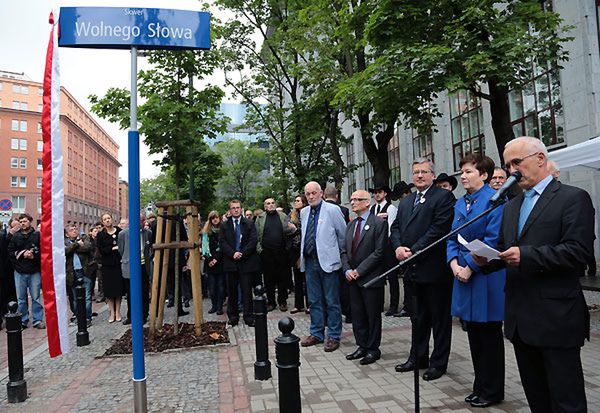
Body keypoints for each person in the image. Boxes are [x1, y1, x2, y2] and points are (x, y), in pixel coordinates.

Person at [473, 136, 594, 412]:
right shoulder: (512, 205)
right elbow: (506, 249)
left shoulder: (573, 198)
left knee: (566, 401)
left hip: (556, 318)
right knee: (536, 398)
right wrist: (487, 259)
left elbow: (578, 253)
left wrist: (525, 256)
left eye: (517, 162)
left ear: (540, 159)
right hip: (520, 319)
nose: (512, 171)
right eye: (508, 165)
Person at [447, 154, 506, 408]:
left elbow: (493, 240)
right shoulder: (461, 203)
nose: (463, 176)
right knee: (473, 336)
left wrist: (469, 267)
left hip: (485, 278)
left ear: (484, 175)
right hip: (462, 275)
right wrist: (453, 264)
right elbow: (450, 238)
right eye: (462, 172)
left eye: (469, 171)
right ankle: (480, 385)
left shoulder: (495, 201)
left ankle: (492, 390)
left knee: (489, 337)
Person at [390, 158, 455, 381]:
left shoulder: (443, 197)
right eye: (416, 172)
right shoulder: (407, 202)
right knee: (417, 317)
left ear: (432, 175)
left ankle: (438, 363)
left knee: (439, 320)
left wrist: (413, 250)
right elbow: (396, 226)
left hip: (434, 269)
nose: (419, 175)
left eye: (424, 172)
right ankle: (417, 357)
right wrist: (398, 247)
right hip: (412, 270)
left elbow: (439, 229)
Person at [342, 190, 388, 365]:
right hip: (352, 279)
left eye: (357, 199)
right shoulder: (351, 225)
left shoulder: (378, 223)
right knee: (357, 314)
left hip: (371, 278)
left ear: (367, 202)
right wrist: (347, 270)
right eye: (351, 199)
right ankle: (361, 345)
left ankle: (373, 348)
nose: (353, 202)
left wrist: (359, 271)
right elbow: (344, 250)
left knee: (372, 315)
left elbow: (379, 252)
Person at [300, 182, 347, 352]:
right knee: (314, 300)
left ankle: (334, 335)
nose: (311, 196)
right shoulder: (304, 212)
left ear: (321, 193)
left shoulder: (333, 210)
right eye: (308, 194)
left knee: (332, 300)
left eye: (314, 193)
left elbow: (343, 235)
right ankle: (317, 333)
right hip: (310, 261)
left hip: (328, 262)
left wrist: (339, 256)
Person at [219, 199, 261, 327]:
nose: (236, 210)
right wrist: (233, 253)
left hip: (246, 262)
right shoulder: (224, 225)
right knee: (232, 292)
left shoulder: (248, 223)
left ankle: (248, 317)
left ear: (241, 209)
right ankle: (233, 317)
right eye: (233, 208)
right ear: (230, 210)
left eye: (238, 207)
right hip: (230, 263)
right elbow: (223, 242)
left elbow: (253, 240)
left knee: (247, 291)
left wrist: (242, 253)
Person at [255, 197, 296, 312]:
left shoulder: (283, 216)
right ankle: (271, 302)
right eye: (268, 203)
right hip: (266, 253)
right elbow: (256, 235)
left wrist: (287, 249)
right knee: (268, 279)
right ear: (265, 206)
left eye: (273, 203)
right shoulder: (260, 218)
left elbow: (290, 232)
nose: (271, 205)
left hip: (281, 253)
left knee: (283, 278)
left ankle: (282, 301)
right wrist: (260, 250)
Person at [8, 213, 44, 329]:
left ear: (30, 221)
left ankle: (37, 320)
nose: (23, 223)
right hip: (19, 272)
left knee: (36, 297)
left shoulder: (37, 235)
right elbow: (10, 252)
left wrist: (34, 256)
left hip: (34, 271)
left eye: (25, 221)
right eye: (21, 221)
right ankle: (23, 320)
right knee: (21, 299)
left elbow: (44, 252)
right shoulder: (16, 237)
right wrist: (23, 254)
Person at [369, 183, 399, 317]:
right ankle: (378, 304)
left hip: (387, 246)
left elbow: (391, 228)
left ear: (385, 193)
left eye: (379, 192)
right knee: (377, 276)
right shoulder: (372, 208)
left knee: (392, 277)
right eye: (375, 192)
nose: (377, 195)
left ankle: (394, 305)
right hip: (375, 246)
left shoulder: (391, 208)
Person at [118, 213, 153, 325]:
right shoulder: (123, 234)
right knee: (130, 292)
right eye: (142, 221)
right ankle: (131, 316)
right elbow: (121, 250)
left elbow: (149, 249)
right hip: (130, 266)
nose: (144, 223)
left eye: (144, 220)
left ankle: (144, 315)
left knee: (144, 291)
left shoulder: (148, 233)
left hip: (144, 266)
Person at [324, 185, 351, 323]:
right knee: (343, 284)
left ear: (323, 195)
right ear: (337, 196)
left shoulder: (321, 210)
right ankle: (347, 312)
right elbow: (343, 233)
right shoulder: (344, 210)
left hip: (326, 255)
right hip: (339, 252)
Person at [65, 224, 94, 326]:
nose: (74, 231)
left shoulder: (84, 237)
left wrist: (73, 247)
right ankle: (78, 316)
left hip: (84, 271)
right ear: (67, 234)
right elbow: (65, 251)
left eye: (75, 229)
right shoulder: (64, 241)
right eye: (71, 230)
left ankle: (87, 317)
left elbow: (87, 247)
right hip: (72, 273)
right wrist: (77, 245)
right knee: (74, 297)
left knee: (87, 296)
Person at [96, 213, 123, 323]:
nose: (107, 220)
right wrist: (113, 248)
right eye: (105, 219)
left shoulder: (119, 231)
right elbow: (101, 250)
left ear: (112, 219)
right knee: (109, 290)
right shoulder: (101, 235)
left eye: (109, 218)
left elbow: (123, 245)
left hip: (118, 264)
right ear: (102, 222)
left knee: (118, 289)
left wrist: (117, 248)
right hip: (107, 265)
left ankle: (118, 311)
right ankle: (112, 312)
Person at [202, 211, 225, 314]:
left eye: (216, 217)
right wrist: (209, 259)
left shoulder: (223, 230)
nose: (215, 219)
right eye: (212, 218)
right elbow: (204, 247)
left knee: (220, 286)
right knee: (212, 286)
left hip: (220, 261)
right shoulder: (206, 232)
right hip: (210, 262)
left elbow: (223, 246)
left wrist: (216, 259)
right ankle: (214, 305)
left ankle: (220, 307)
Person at [289, 194, 308, 314]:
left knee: (307, 279)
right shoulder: (293, 215)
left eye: (298, 201)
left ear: (303, 202)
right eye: (295, 201)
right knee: (297, 279)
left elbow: (306, 231)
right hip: (295, 249)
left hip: (305, 249)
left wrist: (295, 229)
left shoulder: (307, 214)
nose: (296, 203)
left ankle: (310, 304)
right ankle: (298, 304)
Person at [93, 221, 105, 303]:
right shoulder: (96, 238)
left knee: (103, 279)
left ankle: (103, 294)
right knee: (100, 279)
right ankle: (102, 293)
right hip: (98, 261)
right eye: (96, 228)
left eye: (99, 228)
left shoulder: (104, 236)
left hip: (103, 260)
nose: (98, 230)